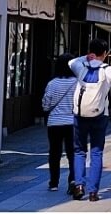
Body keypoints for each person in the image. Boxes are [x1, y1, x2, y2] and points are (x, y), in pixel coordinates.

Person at [68, 39, 111, 202]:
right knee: (96, 152)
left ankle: (79, 186)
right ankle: (93, 191)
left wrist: (86, 58)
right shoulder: (110, 71)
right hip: (100, 116)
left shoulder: (81, 67)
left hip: (80, 115)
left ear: (90, 52)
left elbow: (71, 61)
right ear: (105, 54)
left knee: (79, 151)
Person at [41, 53, 77, 192]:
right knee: (72, 153)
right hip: (71, 122)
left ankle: (54, 183)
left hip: (54, 123)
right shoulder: (76, 82)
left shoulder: (52, 83)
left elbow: (46, 104)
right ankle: (72, 180)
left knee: (54, 153)